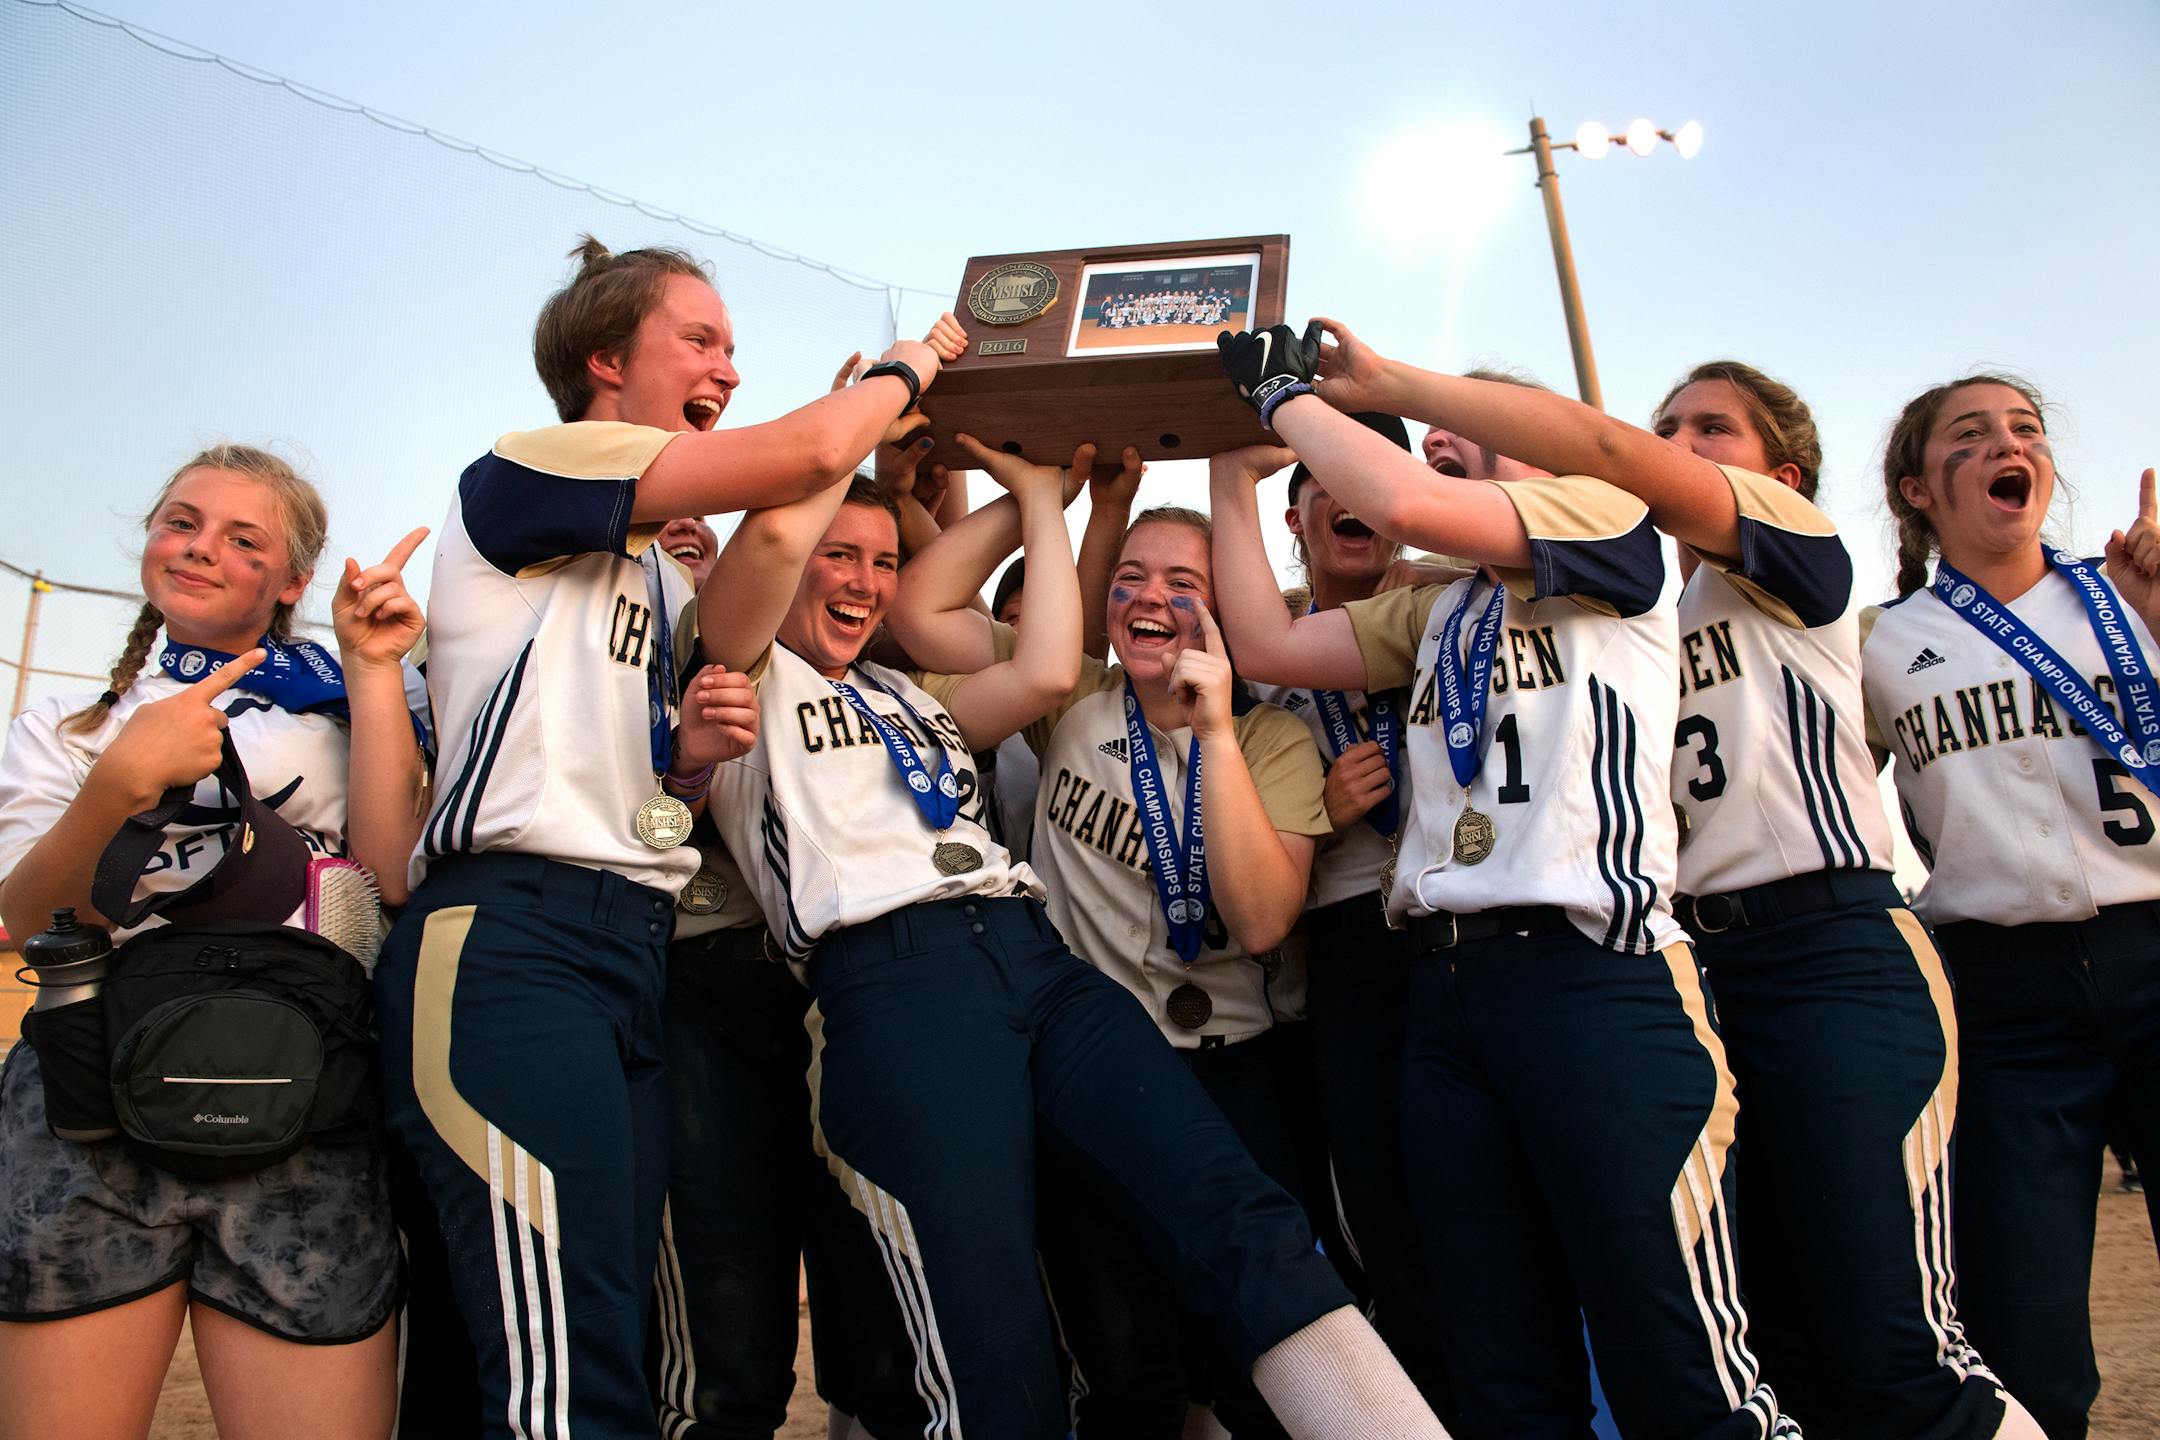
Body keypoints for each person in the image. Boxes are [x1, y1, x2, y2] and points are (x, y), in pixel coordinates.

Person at [698, 429, 1448, 1440]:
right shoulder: (740, 665)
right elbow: (793, 544)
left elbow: (1047, 665)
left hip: (1033, 961)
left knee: (1244, 1218)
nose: (867, 581)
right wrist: (887, 423)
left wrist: (1040, 491)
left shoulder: (916, 698)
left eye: (883, 560)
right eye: (841, 554)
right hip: (892, 970)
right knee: (999, 1333)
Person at [371, 234, 964, 1438]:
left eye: (736, 348)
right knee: (564, 1378)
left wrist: (688, 764)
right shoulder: (526, 469)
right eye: (700, 340)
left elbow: (779, 543)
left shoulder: (658, 580)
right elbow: (798, 453)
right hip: (507, 943)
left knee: (617, 1348)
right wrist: (903, 373)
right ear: (603, 360)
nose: (729, 368)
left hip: (628, 953)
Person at [1210, 319, 1798, 1439]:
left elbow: (1415, 509)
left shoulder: (1612, 526)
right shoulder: (1440, 608)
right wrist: (1233, 479)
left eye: (1475, 431)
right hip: (1442, 993)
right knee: (1500, 1370)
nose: (1444, 444)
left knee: (1674, 1360)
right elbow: (1267, 648)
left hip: (1594, 969)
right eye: (1436, 435)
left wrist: (1291, 399)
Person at [891, 458, 1347, 1437]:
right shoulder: (1071, 697)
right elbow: (924, 609)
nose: (1151, 597)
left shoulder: (1270, 740)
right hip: (1085, 1078)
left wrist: (1215, 733)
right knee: (1125, 1375)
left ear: (1227, 609)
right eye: (1132, 577)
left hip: (1231, 1074)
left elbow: (1264, 919)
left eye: (1185, 584)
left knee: (1255, 1367)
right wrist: (1041, 492)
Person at [0, 444, 429, 1438]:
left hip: (305, 1109)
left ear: (293, 582)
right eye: (180, 521)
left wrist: (371, 672)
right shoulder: (61, 726)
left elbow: (392, 872)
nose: (198, 549)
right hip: (86, 1109)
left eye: (244, 539)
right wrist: (117, 785)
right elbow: (29, 918)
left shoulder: (343, 709)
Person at [1862, 373, 2160, 1440]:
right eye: (1972, 434)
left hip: (2153, 935)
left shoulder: (2131, 597)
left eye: (2025, 429)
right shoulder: (1880, 643)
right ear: (1917, 491)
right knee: (2026, 1326)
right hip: (2001, 988)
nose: (2008, 443)